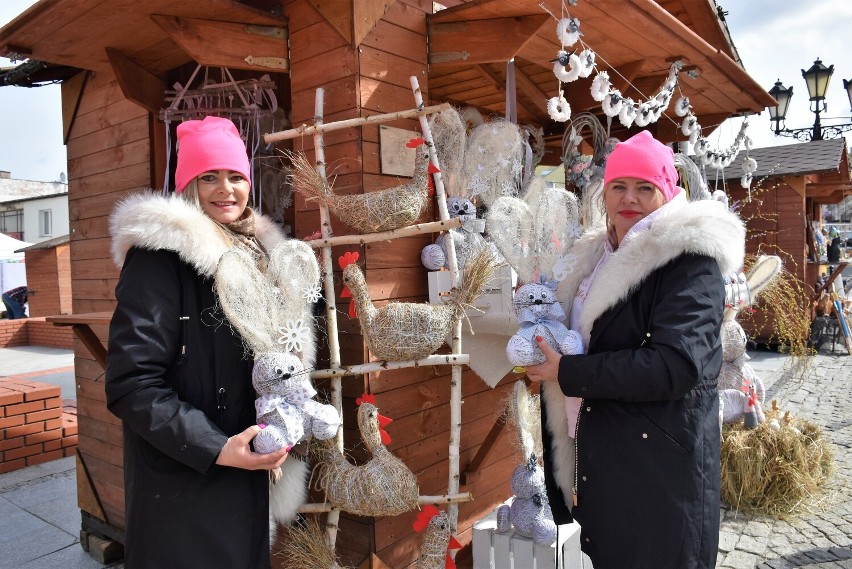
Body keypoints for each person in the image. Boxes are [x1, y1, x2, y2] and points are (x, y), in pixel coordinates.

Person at [525, 131, 745, 568]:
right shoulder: (599, 256)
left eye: (646, 187)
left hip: (659, 472)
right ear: (603, 193)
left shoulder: (689, 260)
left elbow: (675, 366)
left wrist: (566, 371)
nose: (630, 198)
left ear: (668, 193)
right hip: (610, 461)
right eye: (618, 186)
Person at [106, 116, 314, 568]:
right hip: (187, 481)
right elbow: (131, 383)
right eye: (209, 176)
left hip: (250, 472)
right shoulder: (159, 259)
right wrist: (216, 447)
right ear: (187, 185)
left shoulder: (258, 254)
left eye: (236, 176)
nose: (227, 189)